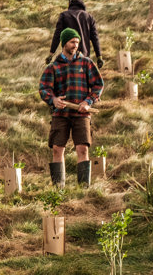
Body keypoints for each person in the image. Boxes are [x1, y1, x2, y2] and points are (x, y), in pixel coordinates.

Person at [39, 28, 104, 188]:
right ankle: (58, 188)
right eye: (72, 42)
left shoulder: (87, 63)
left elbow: (98, 85)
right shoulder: (53, 66)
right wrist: (53, 100)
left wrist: (88, 102)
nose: (75, 45)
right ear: (64, 43)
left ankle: (84, 188)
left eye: (77, 42)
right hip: (60, 114)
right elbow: (44, 88)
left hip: (82, 114)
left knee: (82, 149)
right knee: (57, 149)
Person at [47, 0, 103, 68]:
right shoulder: (89, 17)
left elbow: (57, 35)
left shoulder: (64, 15)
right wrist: (99, 56)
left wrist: (51, 53)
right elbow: (95, 38)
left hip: (68, 55)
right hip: (84, 56)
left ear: (70, 3)